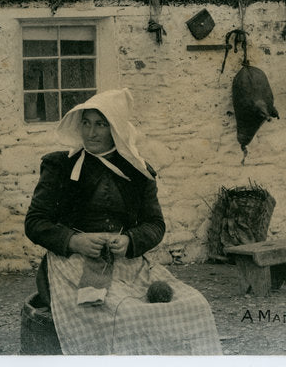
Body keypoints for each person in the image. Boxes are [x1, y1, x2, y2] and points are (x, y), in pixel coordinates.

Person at [24, 89, 222, 355]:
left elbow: (155, 224)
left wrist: (130, 241)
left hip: (128, 265)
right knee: (127, 314)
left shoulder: (138, 171)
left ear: (115, 129)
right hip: (72, 266)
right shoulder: (60, 166)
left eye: (100, 124)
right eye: (86, 123)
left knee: (194, 305)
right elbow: (35, 222)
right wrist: (74, 240)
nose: (91, 132)